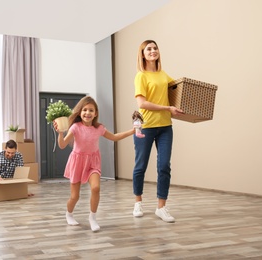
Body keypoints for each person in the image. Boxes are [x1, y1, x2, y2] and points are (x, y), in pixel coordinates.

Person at [54, 96, 135, 232]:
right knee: (75, 196)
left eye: (91, 110)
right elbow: (62, 145)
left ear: (95, 113)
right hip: (77, 162)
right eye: (84, 110)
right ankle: (69, 214)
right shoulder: (75, 127)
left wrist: (132, 131)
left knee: (96, 188)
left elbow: (114, 137)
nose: (87, 113)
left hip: (93, 162)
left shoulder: (99, 128)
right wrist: (60, 133)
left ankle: (92, 217)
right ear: (80, 112)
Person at [132, 40, 184, 223]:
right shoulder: (141, 76)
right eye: (149, 49)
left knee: (164, 167)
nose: (153, 51)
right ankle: (138, 202)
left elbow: (179, 91)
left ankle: (161, 207)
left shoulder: (163, 75)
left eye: (155, 48)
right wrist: (167, 108)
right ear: (143, 54)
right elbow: (142, 104)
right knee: (140, 166)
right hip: (145, 126)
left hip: (165, 127)